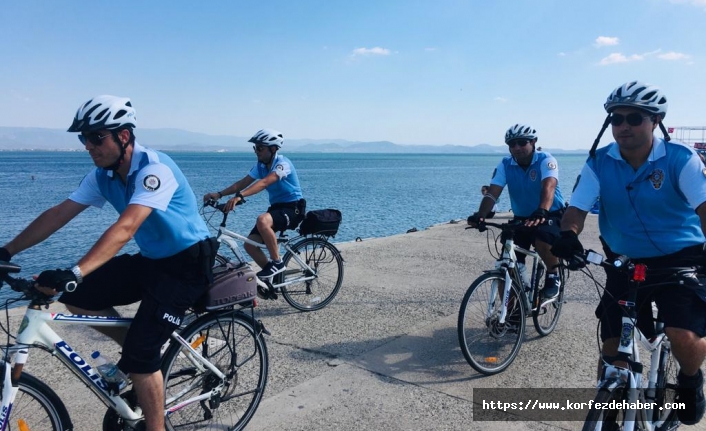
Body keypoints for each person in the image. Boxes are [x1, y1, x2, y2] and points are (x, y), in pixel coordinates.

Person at [0, 95, 215, 431]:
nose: (89, 146)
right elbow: (59, 214)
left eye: (96, 137)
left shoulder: (154, 169)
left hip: (188, 264)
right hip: (153, 260)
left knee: (142, 358)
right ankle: (141, 352)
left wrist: (74, 271)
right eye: (84, 138)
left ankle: (148, 387)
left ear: (124, 136)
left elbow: (127, 227)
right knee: (79, 295)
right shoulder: (103, 175)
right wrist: (7, 251)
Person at [551, 80, 706, 425]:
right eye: (616, 119)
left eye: (634, 118)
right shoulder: (599, 161)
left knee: (683, 336)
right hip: (624, 260)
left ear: (654, 122)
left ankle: (691, 379)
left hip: (680, 257)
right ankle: (608, 401)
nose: (623, 126)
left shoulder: (680, 159)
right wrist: (568, 236)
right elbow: (576, 209)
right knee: (612, 346)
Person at [467, 124, 566, 300]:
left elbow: (549, 186)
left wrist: (542, 210)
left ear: (533, 142)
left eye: (522, 142)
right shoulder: (506, 164)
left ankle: (553, 276)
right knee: (508, 259)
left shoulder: (545, 160)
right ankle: (512, 315)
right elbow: (492, 192)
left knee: (542, 240)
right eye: (512, 144)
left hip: (550, 213)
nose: (517, 148)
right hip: (522, 217)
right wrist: (481, 215)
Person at [204, 129, 305, 282]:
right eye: (255, 148)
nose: (256, 151)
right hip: (277, 208)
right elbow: (242, 183)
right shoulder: (261, 166)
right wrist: (219, 194)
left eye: (260, 148)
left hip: (293, 208)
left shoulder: (283, 164)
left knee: (262, 220)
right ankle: (274, 279)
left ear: (272, 149)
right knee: (250, 245)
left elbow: (264, 182)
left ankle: (277, 263)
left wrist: (239, 197)